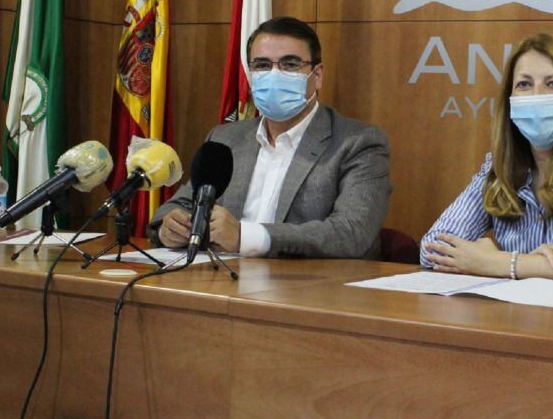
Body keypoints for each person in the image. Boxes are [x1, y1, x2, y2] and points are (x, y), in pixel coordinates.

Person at [150, 17, 391, 258]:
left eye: (290, 64)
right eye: (262, 65)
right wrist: (168, 228)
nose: (274, 74)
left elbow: (351, 233)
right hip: (221, 282)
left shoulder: (357, 143)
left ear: (317, 75)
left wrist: (246, 237)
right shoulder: (225, 138)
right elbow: (178, 206)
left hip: (306, 289)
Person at [421, 32, 553, 287]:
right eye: (524, 84)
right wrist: (531, 263)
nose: (537, 95)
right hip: (517, 319)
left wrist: (499, 262)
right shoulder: (499, 165)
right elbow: (432, 249)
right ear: (510, 101)